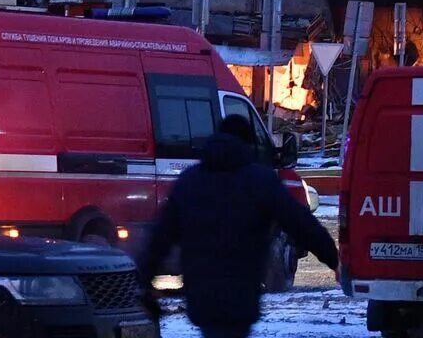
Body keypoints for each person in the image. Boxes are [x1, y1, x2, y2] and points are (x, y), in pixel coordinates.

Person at [137, 116, 338, 338]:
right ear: (247, 145)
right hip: (241, 293)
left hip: (201, 294)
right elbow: (301, 223)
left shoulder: (189, 182)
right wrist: (334, 260)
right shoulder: (260, 181)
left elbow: (160, 237)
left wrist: (143, 280)